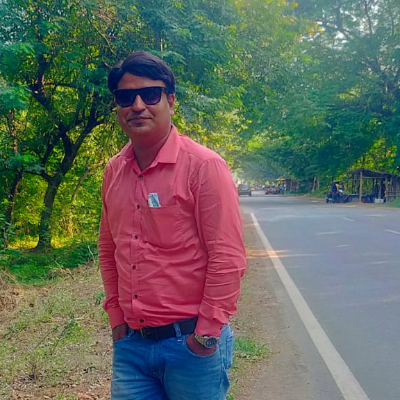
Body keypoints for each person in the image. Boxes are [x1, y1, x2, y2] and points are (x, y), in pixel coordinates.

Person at [98, 51, 247, 400]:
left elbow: (227, 256)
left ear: (171, 101)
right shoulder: (113, 171)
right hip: (132, 346)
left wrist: (206, 334)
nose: (137, 106)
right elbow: (109, 248)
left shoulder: (204, 167)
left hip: (192, 347)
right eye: (125, 97)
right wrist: (116, 318)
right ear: (117, 106)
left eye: (150, 94)